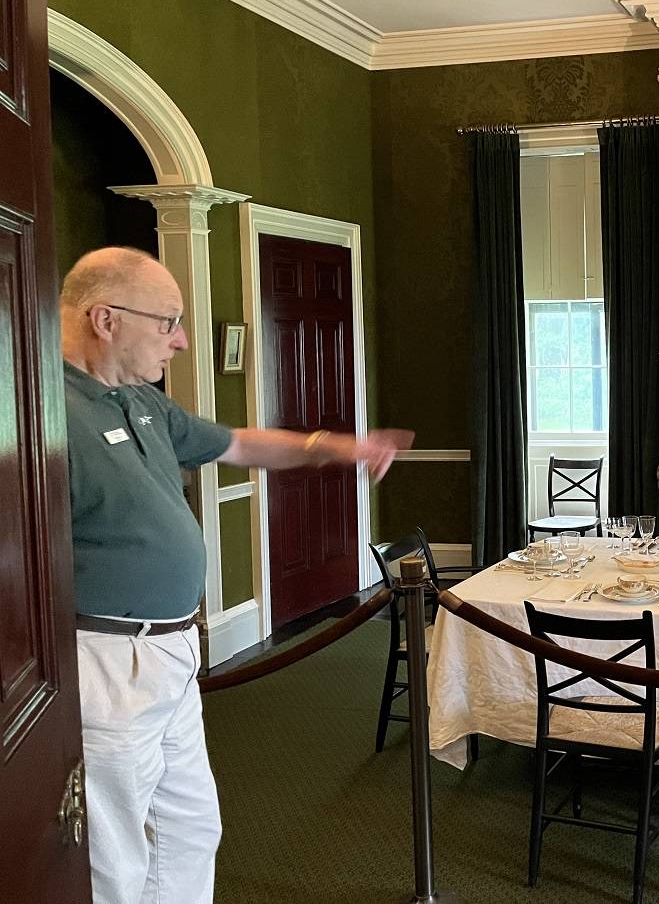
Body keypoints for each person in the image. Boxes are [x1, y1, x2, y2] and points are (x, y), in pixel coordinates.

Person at [61, 247, 409, 904]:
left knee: (189, 827)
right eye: (169, 321)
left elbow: (239, 445)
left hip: (172, 651)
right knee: (112, 855)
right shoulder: (44, 412)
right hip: (106, 659)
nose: (182, 340)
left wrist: (334, 447)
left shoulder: (142, 403)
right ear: (105, 319)